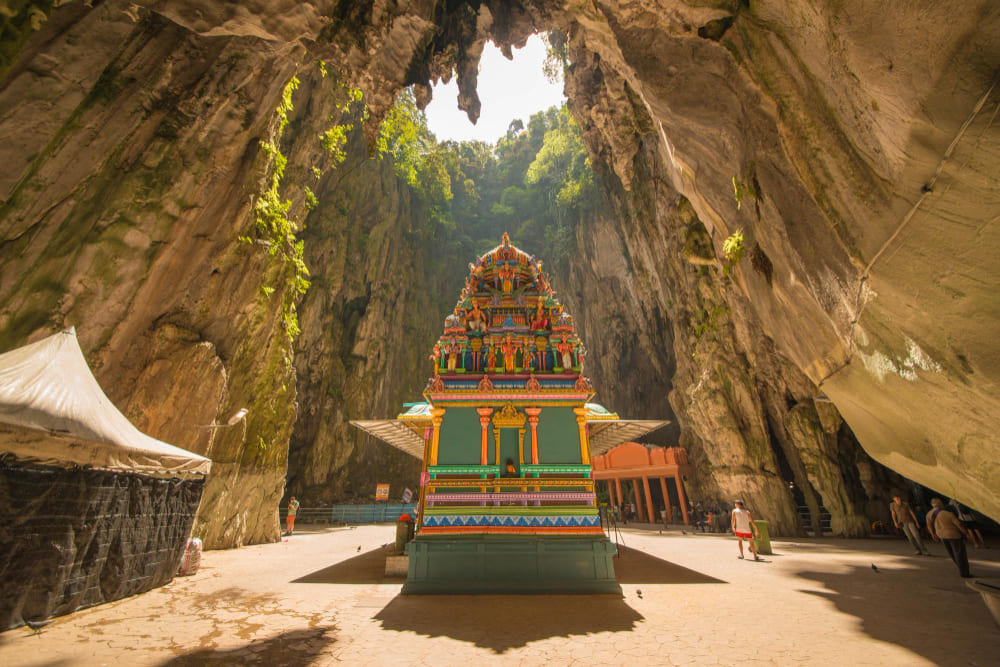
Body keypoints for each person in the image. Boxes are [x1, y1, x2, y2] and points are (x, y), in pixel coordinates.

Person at [927, 498, 973, 578]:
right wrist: (966, 533)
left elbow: (929, 525)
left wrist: (933, 534)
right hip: (953, 535)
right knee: (960, 553)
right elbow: (959, 525)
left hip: (941, 535)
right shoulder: (948, 514)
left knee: (952, 553)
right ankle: (964, 572)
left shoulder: (929, 514)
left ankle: (960, 567)